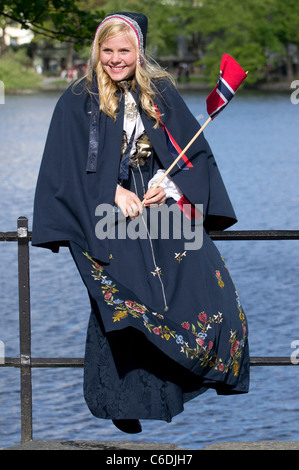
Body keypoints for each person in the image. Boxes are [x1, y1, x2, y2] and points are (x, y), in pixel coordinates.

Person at [32, 12, 249, 435]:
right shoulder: (78, 98)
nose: (115, 59)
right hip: (99, 212)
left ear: (139, 51)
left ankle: (199, 373)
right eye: (107, 51)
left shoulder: (160, 92)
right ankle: (119, 400)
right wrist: (110, 192)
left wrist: (167, 186)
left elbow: (192, 153)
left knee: (208, 287)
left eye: (124, 51)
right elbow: (64, 166)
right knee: (123, 303)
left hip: (157, 203)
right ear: (98, 51)